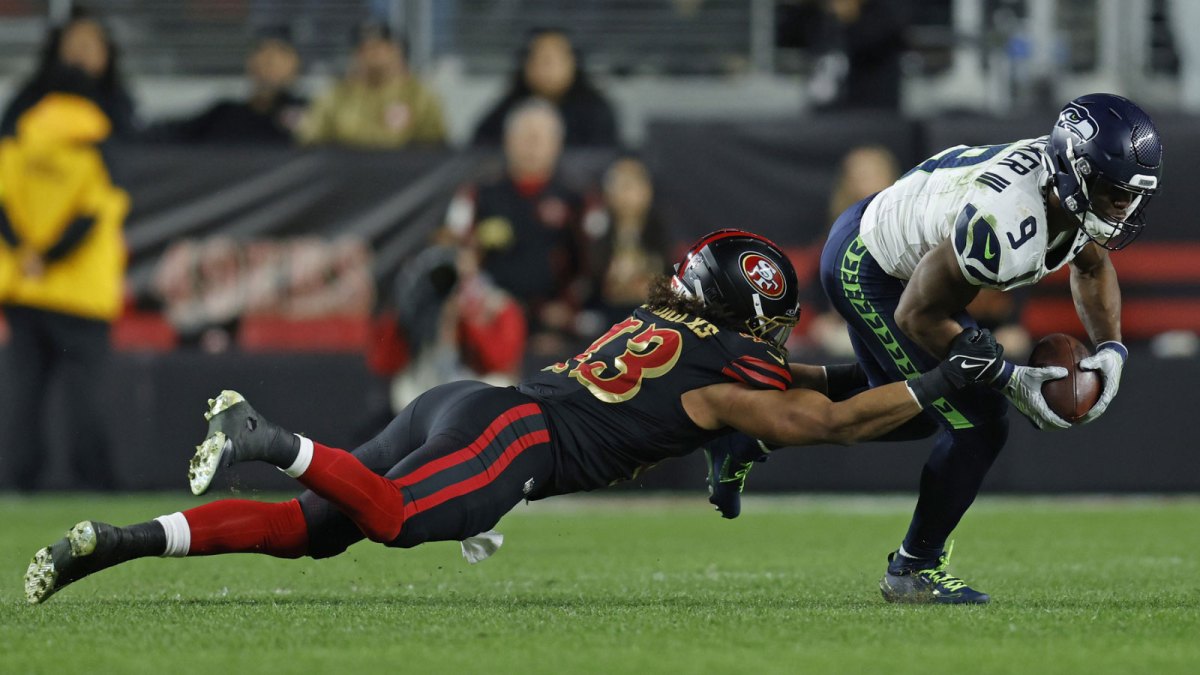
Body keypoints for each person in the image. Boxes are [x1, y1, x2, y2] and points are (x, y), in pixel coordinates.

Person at [23, 229, 1012, 604]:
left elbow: (811, 390)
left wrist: (912, 387)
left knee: (312, 536)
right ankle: (270, 439)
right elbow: (823, 420)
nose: (781, 334)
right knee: (394, 521)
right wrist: (934, 386)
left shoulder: (673, 321)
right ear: (740, 315)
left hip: (472, 407)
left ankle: (120, 543)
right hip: (516, 438)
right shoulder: (723, 377)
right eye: (771, 319)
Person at [708, 93, 1163, 605]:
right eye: (1112, 191)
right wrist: (1009, 381)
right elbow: (916, 316)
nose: (1122, 206)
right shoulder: (1006, 222)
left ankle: (750, 429)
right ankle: (914, 567)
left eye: (1130, 194)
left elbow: (1092, 263)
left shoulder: (1070, 184)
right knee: (979, 420)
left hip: (889, 238)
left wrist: (1112, 350)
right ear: (1075, 170)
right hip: (872, 263)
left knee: (912, 404)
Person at [0, 65, 131, 491]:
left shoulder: (15, 148)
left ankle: (18, 481)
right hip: (81, 294)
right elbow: (91, 216)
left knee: (24, 394)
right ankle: (96, 479)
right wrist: (53, 256)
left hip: (24, 287)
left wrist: (27, 254)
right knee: (87, 397)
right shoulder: (94, 152)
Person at [444, 98, 589, 358]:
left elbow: (590, 264)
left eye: (540, 137)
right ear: (507, 141)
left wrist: (568, 308)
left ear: (556, 145)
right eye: (524, 136)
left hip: (552, 321)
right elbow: (453, 248)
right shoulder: (478, 194)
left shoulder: (576, 198)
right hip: (490, 315)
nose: (532, 145)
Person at [297, 21, 446, 148]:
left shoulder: (419, 95)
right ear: (354, 55)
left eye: (382, 48)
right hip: (345, 175)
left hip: (405, 177)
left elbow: (435, 145)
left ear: (397, 52)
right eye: (365, 49)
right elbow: (310, 141)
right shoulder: (334, 96)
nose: (374, 55)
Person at [148, 28, 306, 144]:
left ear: (295, 65)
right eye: (261, 52)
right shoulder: (225, 114)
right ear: (250, 63)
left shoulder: (311, 116)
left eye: (280, 52)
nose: (268, 60)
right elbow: (170, 134)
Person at [1, 8, 137, 139]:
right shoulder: (34, 95)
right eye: (75, 43)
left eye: (89, 45)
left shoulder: (115, 98)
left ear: (107, 53)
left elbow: (129, 143)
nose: (81, 52)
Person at [472, 28, 618, 148]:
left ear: (573, 63)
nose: (546, 68)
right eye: (539, 58)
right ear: (526, 65)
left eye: (553, 59)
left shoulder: (596, 112)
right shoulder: (507, 111)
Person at [583, 155, 670, 327]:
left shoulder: (661, 231)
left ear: (647, 191)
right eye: (621, 187)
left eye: (632, 186)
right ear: (608, 194)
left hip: (653, 318)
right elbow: (592, 281)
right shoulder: (596, 230)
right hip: (608, 317)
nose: (627, 195)